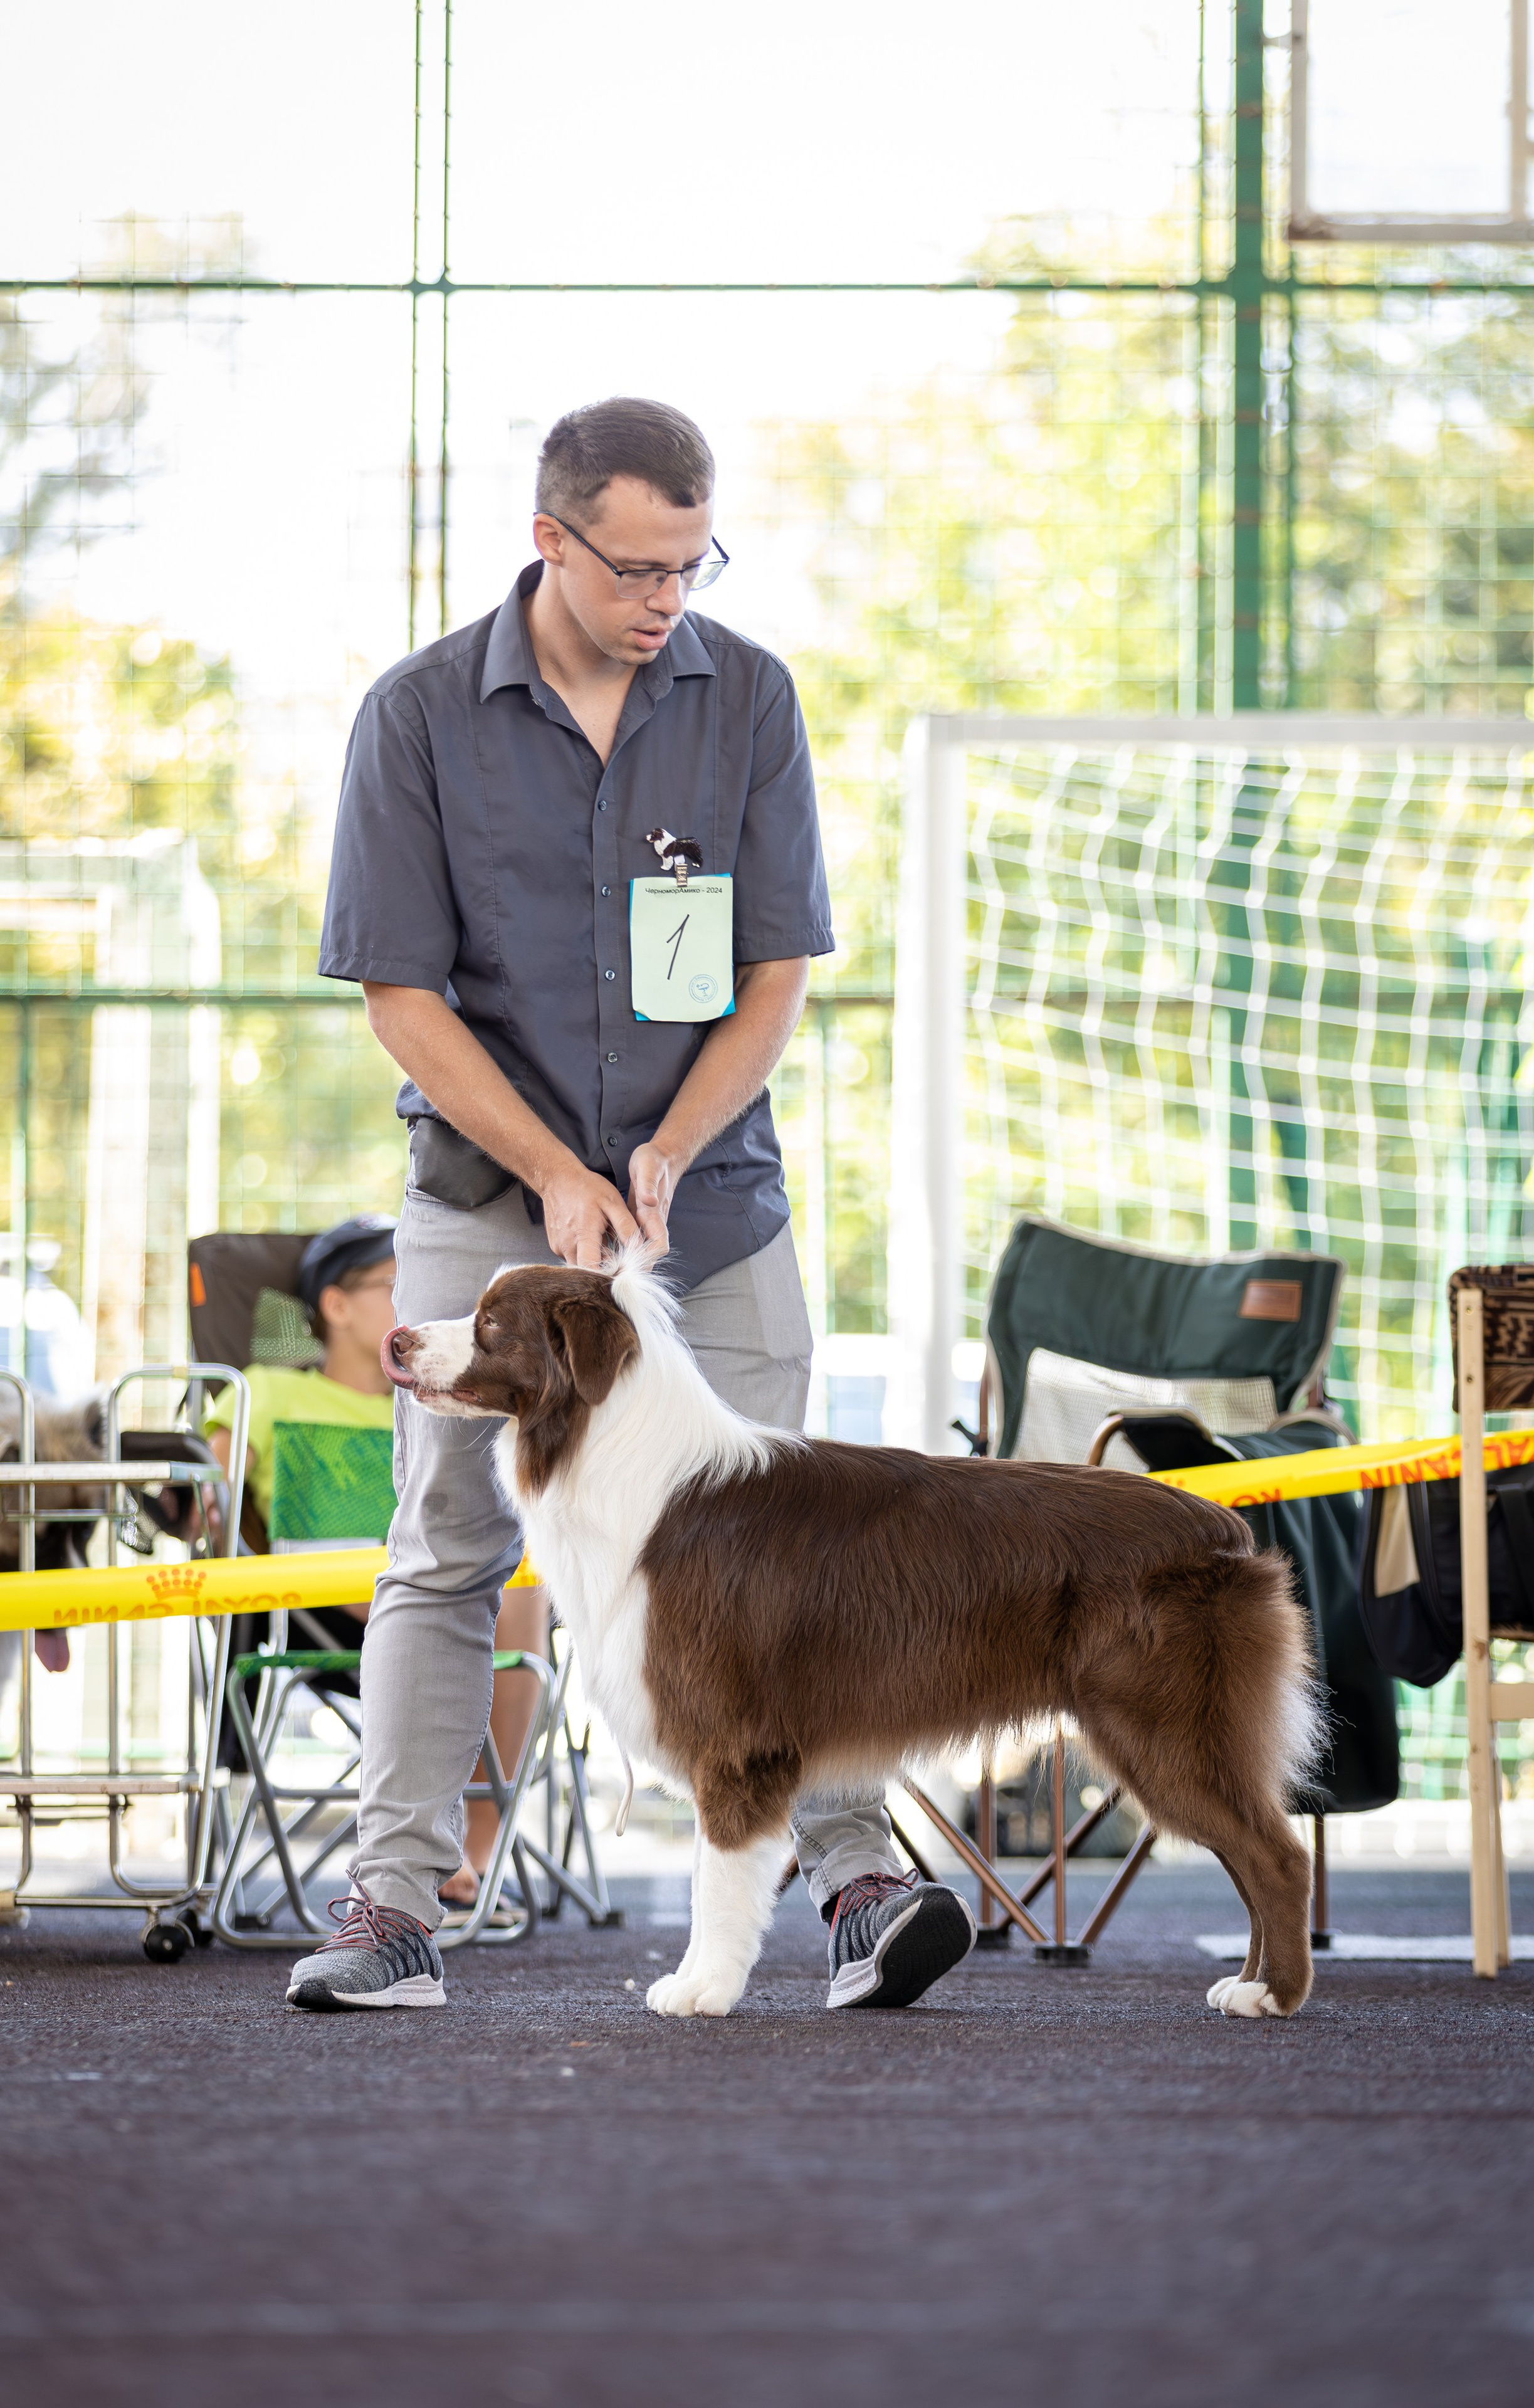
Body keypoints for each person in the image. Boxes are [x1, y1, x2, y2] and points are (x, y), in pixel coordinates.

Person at [290, 394, 976, 2012]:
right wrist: (552, 1169)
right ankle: (395, 1909)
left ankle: (856, 1878)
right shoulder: (417, 717)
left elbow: (773, 974)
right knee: (448, 1541)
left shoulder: (750, 699)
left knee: (791, 1541)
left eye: (694, 562)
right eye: (639, 567)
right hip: (486, 1196)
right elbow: (400, 995)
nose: (670, 596)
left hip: (709, 1199)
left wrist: (668, 1145)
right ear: (552, 540)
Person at [206, 1216, 541, 1915]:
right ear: (335, 1304)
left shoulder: (445, 1395)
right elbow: (210, 1487)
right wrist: (203, 1502)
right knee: (465, 1586)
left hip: (455, 1573)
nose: (414, 1297)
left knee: (518, 1594)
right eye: (394, 1284)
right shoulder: (269, 1390)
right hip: (318, 1598)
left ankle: (476, 1849)